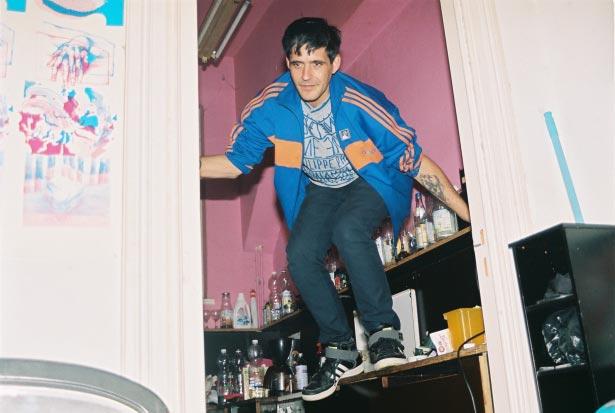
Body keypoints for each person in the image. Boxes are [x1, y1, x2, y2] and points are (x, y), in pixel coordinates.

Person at [200, 17, 470, 401]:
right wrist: (183, 165)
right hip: (322, 189)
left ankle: (383, 334)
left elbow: (414, 161)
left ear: (335, 63)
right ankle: (341, 349)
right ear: (287, 64)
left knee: (348, 228)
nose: (306, 76)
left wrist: (468, 213)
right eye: (297, 64)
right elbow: (235, 163)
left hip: (370, 179)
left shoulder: (359, 101)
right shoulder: (272, 106)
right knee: (299, 254)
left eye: (317, 64)